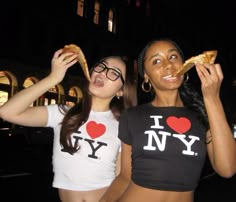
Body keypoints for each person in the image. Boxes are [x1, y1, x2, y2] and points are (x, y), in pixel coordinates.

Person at [100, 38, 236, 202]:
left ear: (184, 65)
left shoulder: (201, 115)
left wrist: (212, 97)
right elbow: (124, 177)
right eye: (156, 61)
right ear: (146, 77)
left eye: (173, 57)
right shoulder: (133, 116)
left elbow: (227, 169)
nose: (168, 65)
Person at [0, 48, 137, 202]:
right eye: (100, 66)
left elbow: (122, 177)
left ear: (121, 91)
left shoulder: (123, 125)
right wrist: (53, 78)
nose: (102, 72)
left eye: (114, 73)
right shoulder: (63, 113)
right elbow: (7, 112)